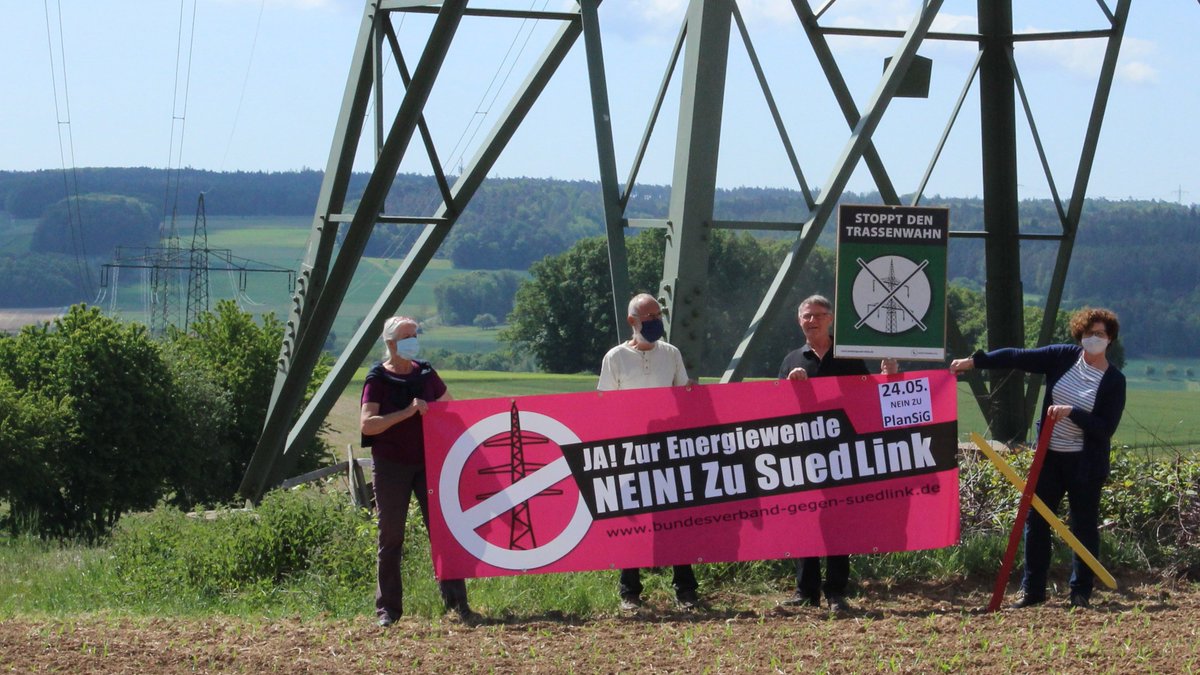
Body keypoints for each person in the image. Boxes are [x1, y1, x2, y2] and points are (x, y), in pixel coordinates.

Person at [950, 307, 1125, 610]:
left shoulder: (1114, 381)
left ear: (1109, 339)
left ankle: (1080, 592)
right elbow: (1017, 356)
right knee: (1037, 521)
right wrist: (975, 362)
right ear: (1079, 336)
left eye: (1099, 334)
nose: (1093, 339)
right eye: (1088, 333)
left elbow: (1104, 429)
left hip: (1085, 464)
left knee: (1083, 526)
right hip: (1049, 458)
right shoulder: (1062, 357)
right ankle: (1033, 591)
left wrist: (1073, 413)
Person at [778, 294, 897, 612]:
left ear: (830, 319)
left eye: (818, 315)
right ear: (798, 321)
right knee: (805, 521)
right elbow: (775, 410)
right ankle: (806, 592)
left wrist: (889, 378)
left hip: (843, 454)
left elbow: (872, 398)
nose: (812, 320)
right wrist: (790, 387)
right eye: (806, 315)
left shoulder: (849, 357)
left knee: (838, 522)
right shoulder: (791, 360)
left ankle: (835, 592)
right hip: (804, 455)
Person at [361, 316, 474, 627]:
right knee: (391, 535)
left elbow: (451, 409)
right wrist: (408, 413)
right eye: (406, 336)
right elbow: (368, 424)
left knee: (443, 532)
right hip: (391, 466)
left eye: (415, 334)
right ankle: (388, 610)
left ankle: (457, 604)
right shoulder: (377, 380)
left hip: (431, 464)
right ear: (391, 343)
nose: (413, 339)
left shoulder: (426, 373)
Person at [598, 292, 701, 611]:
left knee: (676, 518)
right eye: (649, 318)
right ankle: (629, 591)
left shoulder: (671, 353)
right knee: (633, 521)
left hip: (666, 450)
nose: (656, 323)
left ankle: (685, 590)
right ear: (633, 322)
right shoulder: (614, 357)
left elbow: (682, 396)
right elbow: (604, 406)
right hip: (630, 451)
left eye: (659, 317)